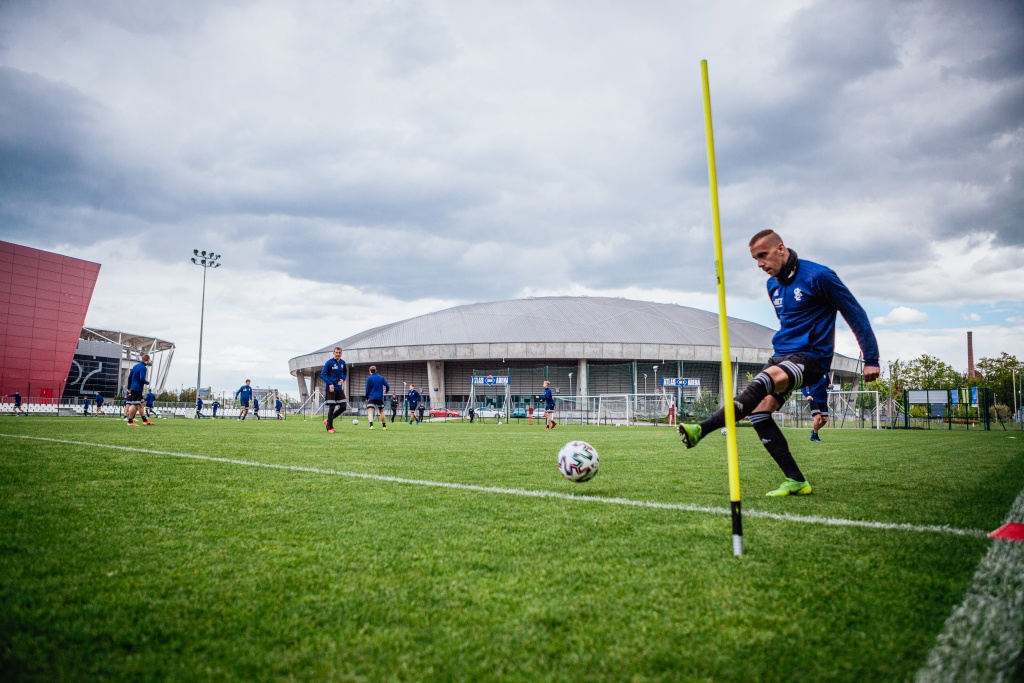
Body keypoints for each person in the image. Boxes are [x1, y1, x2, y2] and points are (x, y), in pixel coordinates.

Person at [678, 230, 880, 497]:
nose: (760, 264)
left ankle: (702, 429)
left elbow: (854, 311)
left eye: (763, 255)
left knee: (767, 379)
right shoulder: (772, 285)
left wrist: (871, 357)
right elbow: (789, 323)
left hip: (812, 357)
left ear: (781, 249)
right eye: (755, 259)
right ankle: (796, 480)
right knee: (759, 412)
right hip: (782, 354)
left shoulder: (819, 276)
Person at [321, 347, 347, 433]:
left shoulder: (343, 363)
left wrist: (343, 379)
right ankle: (329, 428)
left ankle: (328, 420)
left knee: (343, 407)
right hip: (331, 389)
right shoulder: (329, 363)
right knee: (332, 407)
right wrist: (330, 384)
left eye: (339, 352)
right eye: (336, 352)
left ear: (341, 353)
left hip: (339, 389)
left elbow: (345, 373)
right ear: (333, 353)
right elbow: (323, 374)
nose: (338, 354)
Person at [124, 354, 154, 426]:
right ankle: (130, 421)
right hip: (137, 388)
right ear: (148, 360)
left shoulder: (135, 366)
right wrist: (147, 382)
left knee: (141, 404)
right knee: (134, 404)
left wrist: (129, 387)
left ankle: (144, 420)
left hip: (133, 387)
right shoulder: (143, 367)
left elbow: (129, 377)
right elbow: (141, 379)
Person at [801, 377, 831, 442]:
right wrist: (807, 395)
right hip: (813, 399)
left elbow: (828, 384)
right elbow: (802, 386)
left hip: (823, 400)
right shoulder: (811, 373)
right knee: (818, 417)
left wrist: (830, 386)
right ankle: (815, 436)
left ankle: (814, 430)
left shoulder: (825, 373)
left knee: (824, 420)